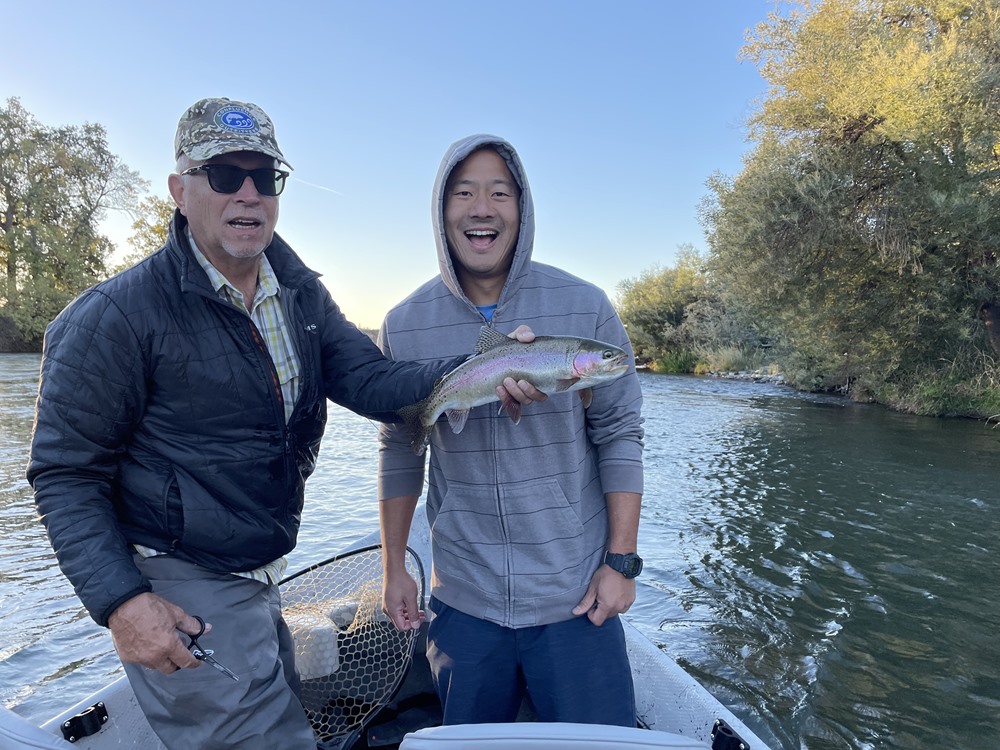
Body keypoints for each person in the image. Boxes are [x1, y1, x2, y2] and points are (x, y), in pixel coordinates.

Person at [27, 100, 539, 750]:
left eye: (264, 178)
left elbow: (375, 383)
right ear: (180, 190)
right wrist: (122, 602)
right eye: (224, 175)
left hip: (257, 575)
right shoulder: (112, 318)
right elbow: (65, 475)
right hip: (184, 583)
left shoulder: (296, 294)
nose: (248, 195)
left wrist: (484, 368)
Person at [377, 135, 645, 727]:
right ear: (441, 210)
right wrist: (396, 566)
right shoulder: (403, 323)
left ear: (521, 210)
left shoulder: (586, 306)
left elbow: (621, 433)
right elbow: (400, 449)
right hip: (463, 605)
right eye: (464, 192)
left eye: (499, 192)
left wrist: (621, 561)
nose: (481, 207)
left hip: (575, 600)